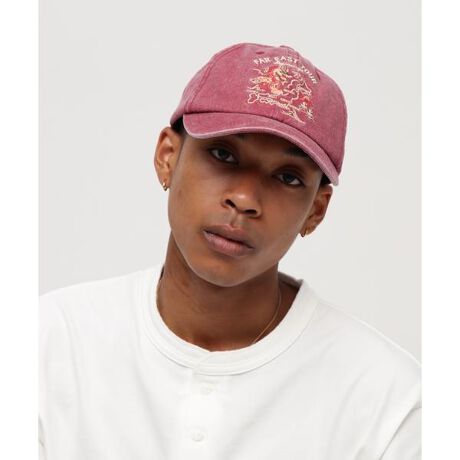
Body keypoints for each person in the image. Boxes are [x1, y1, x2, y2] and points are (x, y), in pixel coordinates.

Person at [39, 43, 421, 459]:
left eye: (288, 177)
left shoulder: (390, 402)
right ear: (168, 156)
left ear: (316, 210)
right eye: (223, 154)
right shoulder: (50, 341)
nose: (244, 199)